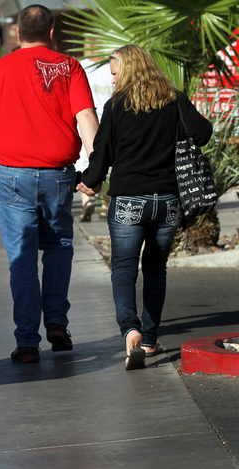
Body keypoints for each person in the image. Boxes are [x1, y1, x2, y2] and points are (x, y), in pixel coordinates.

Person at [0, 5, 99, 364]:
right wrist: (95, 169)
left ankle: (27, 341)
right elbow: (86, 116)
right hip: (58, 174)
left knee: (22, 256)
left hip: (11, 175)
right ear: (51, 33)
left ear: (18, 32)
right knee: (58, 247)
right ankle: (57, 324)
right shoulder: (69, 67)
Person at [78, 45, 212, 370]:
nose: (112, 80)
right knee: (155, 269)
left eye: (115, 74)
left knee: (124, 268)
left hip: (128, 200)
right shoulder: (174, 99)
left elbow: (102, 154)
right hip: (168, 201)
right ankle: (150, 340)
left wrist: (89, 181)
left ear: (128, 70)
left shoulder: (116, 106)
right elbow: (203, 133)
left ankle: (130, 329)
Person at [76, 55, 114, 221]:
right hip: (108, 121)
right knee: (107, 163)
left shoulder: (81, 66)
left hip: (86, 121)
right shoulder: (112, 67)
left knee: (84, 163)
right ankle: (105, 205)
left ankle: (87, 201)